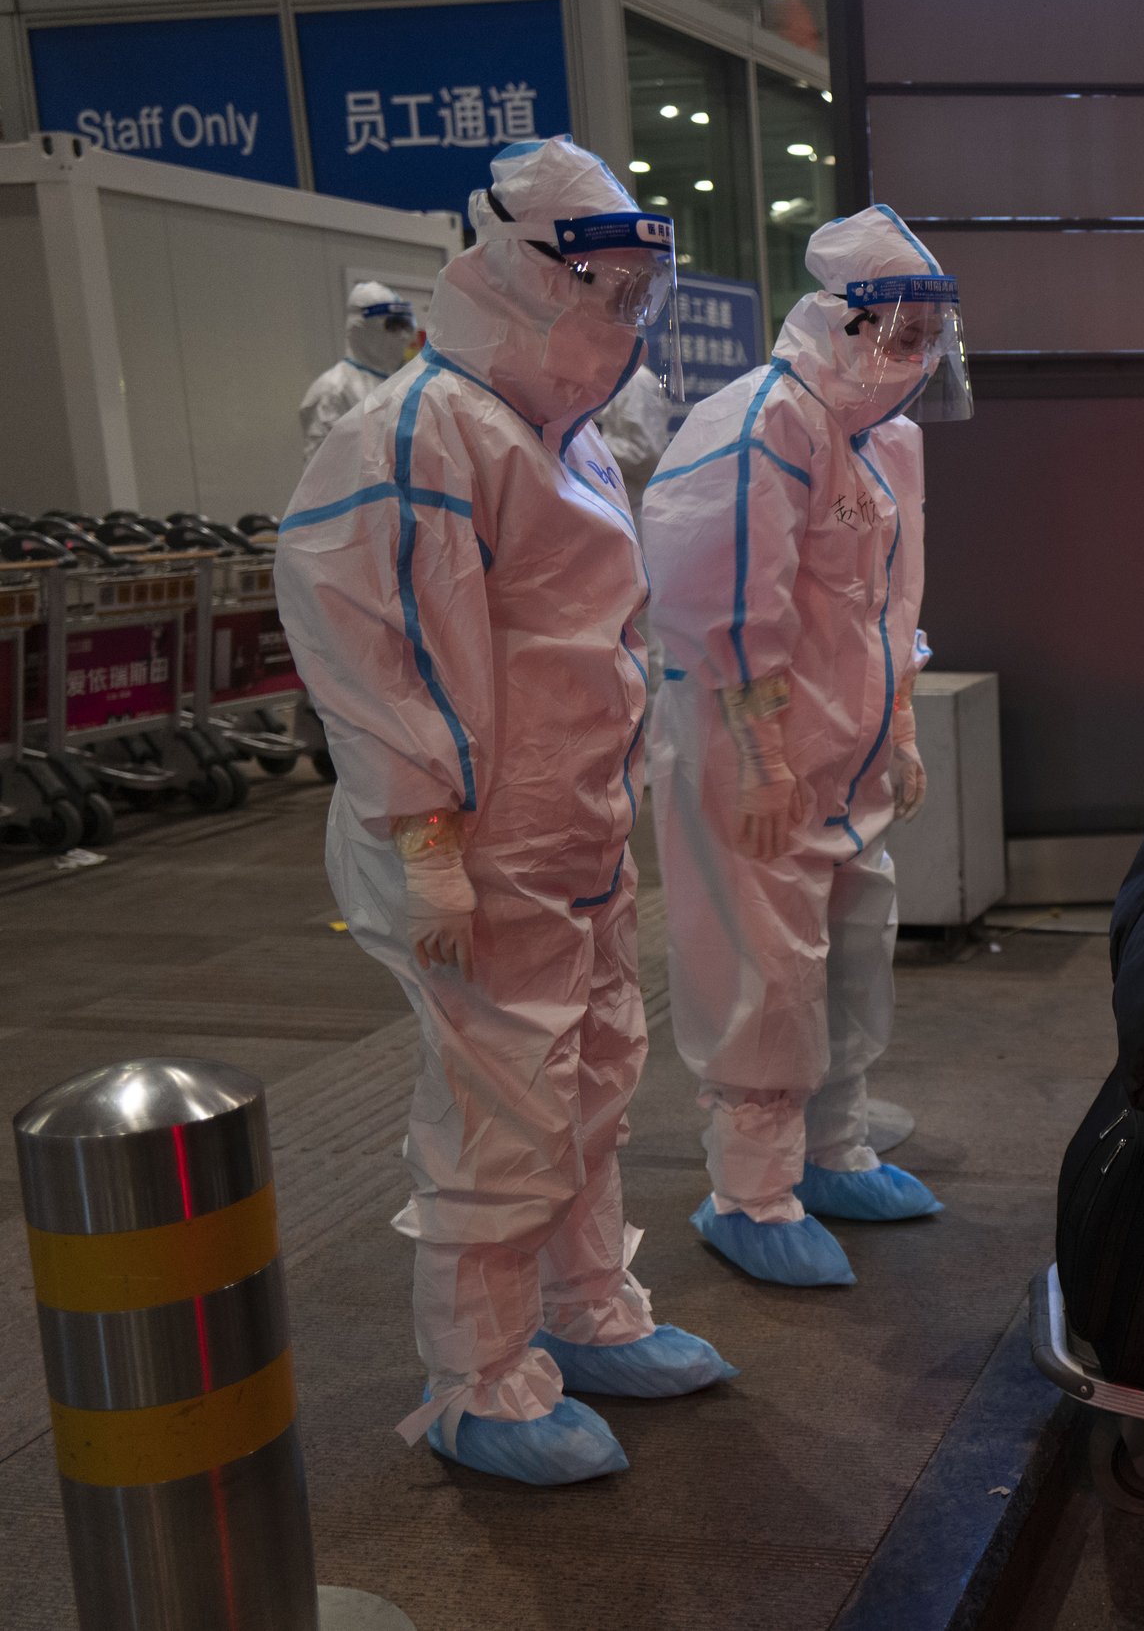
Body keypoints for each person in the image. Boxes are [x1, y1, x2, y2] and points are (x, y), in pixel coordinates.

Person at [274, 137, 733, 1488]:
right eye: (601, 282)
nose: (622, 313)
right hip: (474, 844)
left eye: (636, 285)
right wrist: (426, 843)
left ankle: (589, 1314)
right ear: (513, 267)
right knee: (502, 1108)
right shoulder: (420, 429)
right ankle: (480, 1381)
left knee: (590, 1079)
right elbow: (379, 658)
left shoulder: (560, 435)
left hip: (571, 838)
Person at [641, 204, 965, 1287]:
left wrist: (903, 726)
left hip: (844, 763)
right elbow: (720, 603)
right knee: (764, 974)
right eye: (899, 333)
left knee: (852, 955)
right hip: (758, 763)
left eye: (930, 337)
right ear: (839, 323)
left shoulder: (887, 446)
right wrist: (765, 754)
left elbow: (889, 602)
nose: (914, 358)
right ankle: (752, 1190)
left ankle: (834, 1148)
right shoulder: (763, 423)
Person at [299, 281, 417, 459]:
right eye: (392, 326)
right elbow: (324, 470)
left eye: (405, 326)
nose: (402, 335)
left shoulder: (406, 382)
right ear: (362, 327)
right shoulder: (333, 389)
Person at [596, 353, 675, 513]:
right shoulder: (613, 376)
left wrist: (585, 445)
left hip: (632, 506)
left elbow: (644, 453)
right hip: (612, 503)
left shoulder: (636, 381)